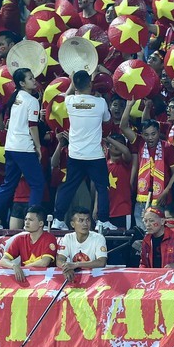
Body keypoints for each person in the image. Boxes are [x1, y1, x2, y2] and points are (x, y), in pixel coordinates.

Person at [0, 68, 45, 229]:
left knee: (8, 184)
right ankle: (33, 222)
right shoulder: (31, 101)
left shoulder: (15, 97)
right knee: (37, 184)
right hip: (24, 147)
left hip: (10, 147)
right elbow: (32, 126)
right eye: (30, 79)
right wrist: (37, 146)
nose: (34, 80)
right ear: (22, 83)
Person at [52, 70, 114, 231]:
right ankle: (102, 221)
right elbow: (107, 120)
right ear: (90, 84)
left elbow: (66, 95)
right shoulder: (100, 103)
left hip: (75, 154)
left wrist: (72, 83)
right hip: (94, 155)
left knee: (69, 186)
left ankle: (58, 219)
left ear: (75, 84)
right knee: (102, 187)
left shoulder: (70, 101)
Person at [0, 205, 57, 283]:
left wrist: (24, 268)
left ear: (41, 223)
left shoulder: (49, 238)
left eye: (30, 220)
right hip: (27, 280)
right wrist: (14, 266)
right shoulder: (19, 239)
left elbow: (44, 262)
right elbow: (3, 260)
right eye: (26, 219)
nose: (26, 222)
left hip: (47, 281)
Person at [56, 206, 108, 283]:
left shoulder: (99, 238)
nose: (85, 224)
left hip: (95, 280)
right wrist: (66, 268)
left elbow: (101, 262)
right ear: (73, 224)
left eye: (88, 220)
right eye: (81, 220)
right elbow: (59, 260)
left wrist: (76, 264)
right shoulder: (68, 237)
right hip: (75, 279)